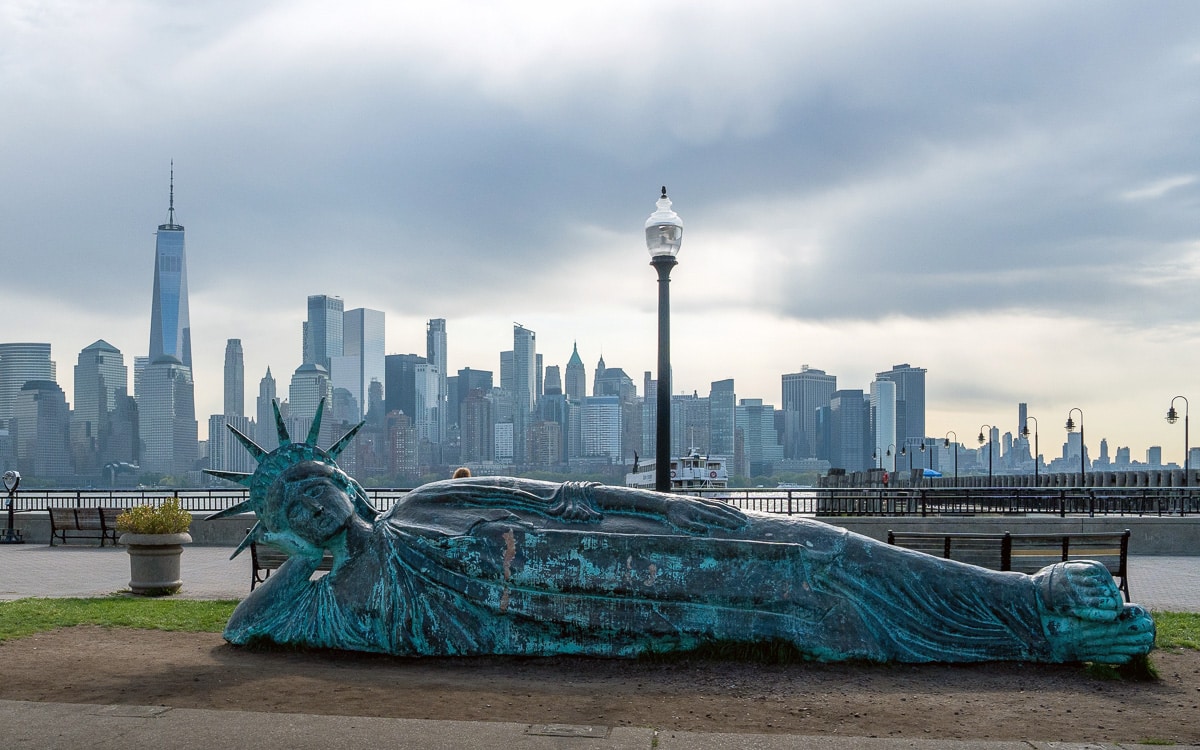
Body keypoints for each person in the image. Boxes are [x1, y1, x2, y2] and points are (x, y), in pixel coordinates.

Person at [215, 458, 1154, 665]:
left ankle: (1034, 606)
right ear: (289, 531)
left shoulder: (439, 504)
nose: (314, 504)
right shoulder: (307, 604)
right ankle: (1036, 628)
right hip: (612, 618)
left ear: (351, 488)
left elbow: (574, 502)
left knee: (823, 549)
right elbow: (245, 624)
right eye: (292, 505)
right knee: (823, 600)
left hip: (652, 558)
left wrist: (689, 512)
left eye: (319, 482)